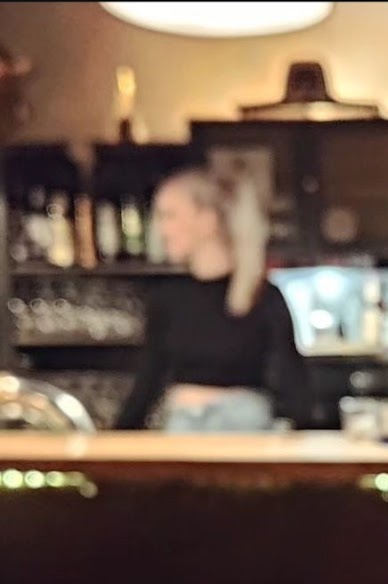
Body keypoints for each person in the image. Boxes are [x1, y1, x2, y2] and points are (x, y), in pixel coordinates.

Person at [116, 165, 310, 431]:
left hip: (243, 427)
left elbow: (292, 380)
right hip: (183, 424)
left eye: (169, 216)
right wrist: (113, 441)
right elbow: (149, 379)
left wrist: (296, 435)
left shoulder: (261, 296)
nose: (161, 229)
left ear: (207, 221)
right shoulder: (168, 299)